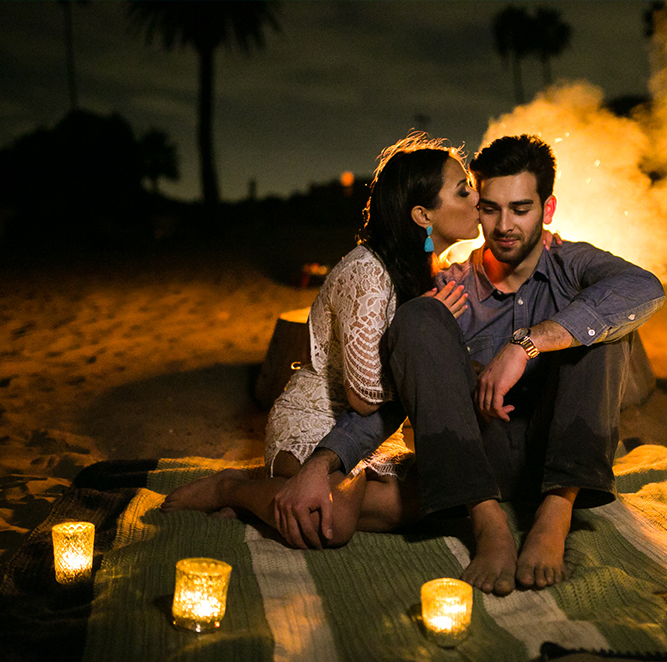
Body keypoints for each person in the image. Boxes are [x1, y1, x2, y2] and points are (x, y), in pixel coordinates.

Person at [309, 134, 666, 596]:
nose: (504, 225)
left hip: (558, 457)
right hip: (477, 462)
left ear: (548, 210)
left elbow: (644, 288)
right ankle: (488, 521)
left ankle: (555, 514)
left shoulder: (571, 264)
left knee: (605, 322)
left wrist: (526, 345)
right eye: (491, 208)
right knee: (419, 317)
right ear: (477, 208)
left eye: (520, 209)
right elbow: (407, 390)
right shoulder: (453, 286)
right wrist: (323, 460)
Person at [161, 132, 477, 544]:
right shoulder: (368, 274)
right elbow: (363, 399)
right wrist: (428, 328)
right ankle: (232, 488)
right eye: (463, 190)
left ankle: (285, 497)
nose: (477, 198)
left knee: (439, 501)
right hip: (318, 420)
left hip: (375, 433)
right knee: (329, 524)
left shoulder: (430, 268)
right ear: (423, 216)